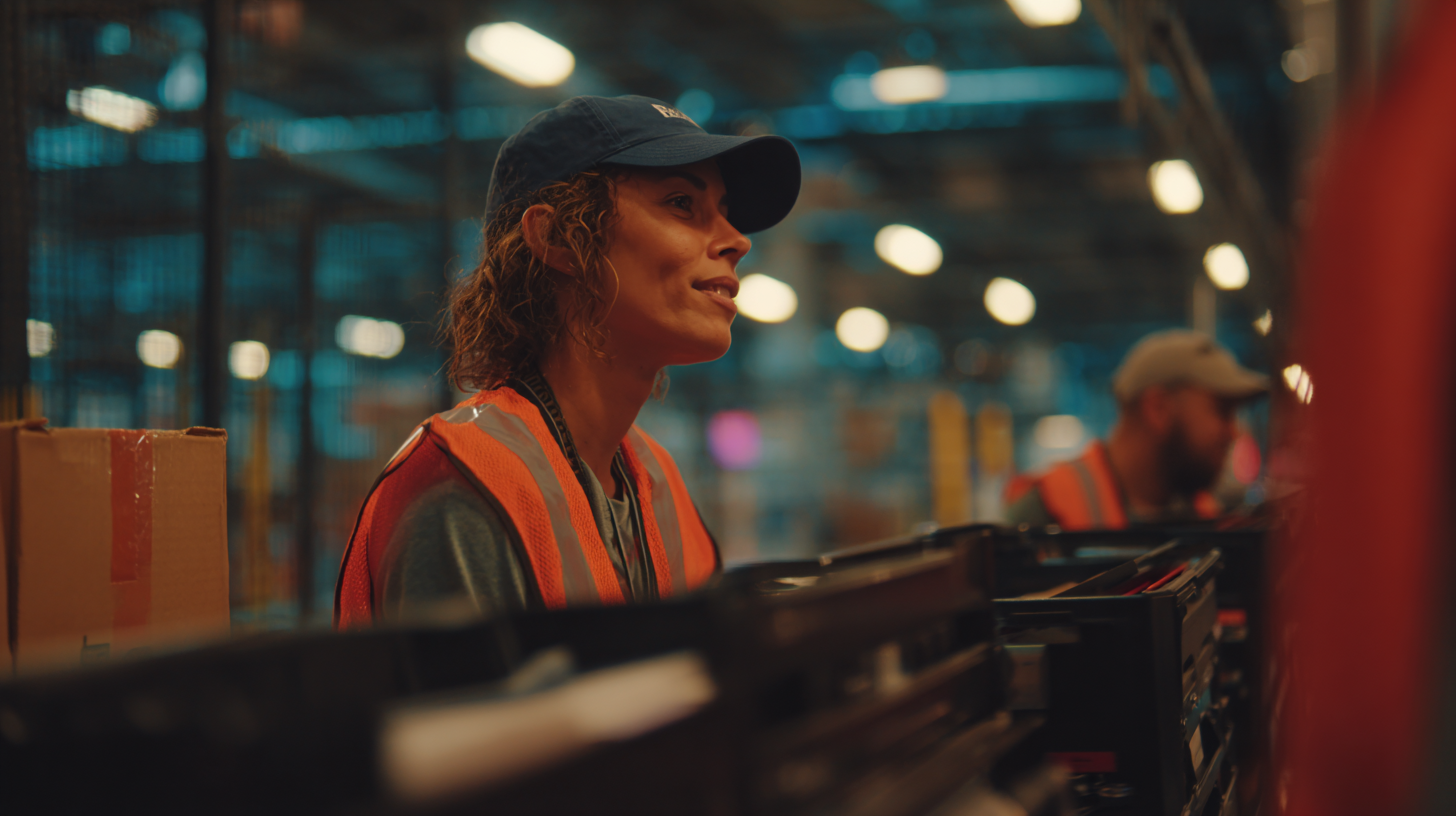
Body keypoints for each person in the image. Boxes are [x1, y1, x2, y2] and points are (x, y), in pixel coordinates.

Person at [334, 95, 800, 625]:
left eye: (725, 212)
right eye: (680, 203)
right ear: (558, 239)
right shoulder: (461, 487)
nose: (738, 241)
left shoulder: (659, 481)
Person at [1004, 330, 1267, 530]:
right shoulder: (1041, 515)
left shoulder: (1202, 514)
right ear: (1158, 409)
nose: (1234, 432)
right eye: (1223, 411)